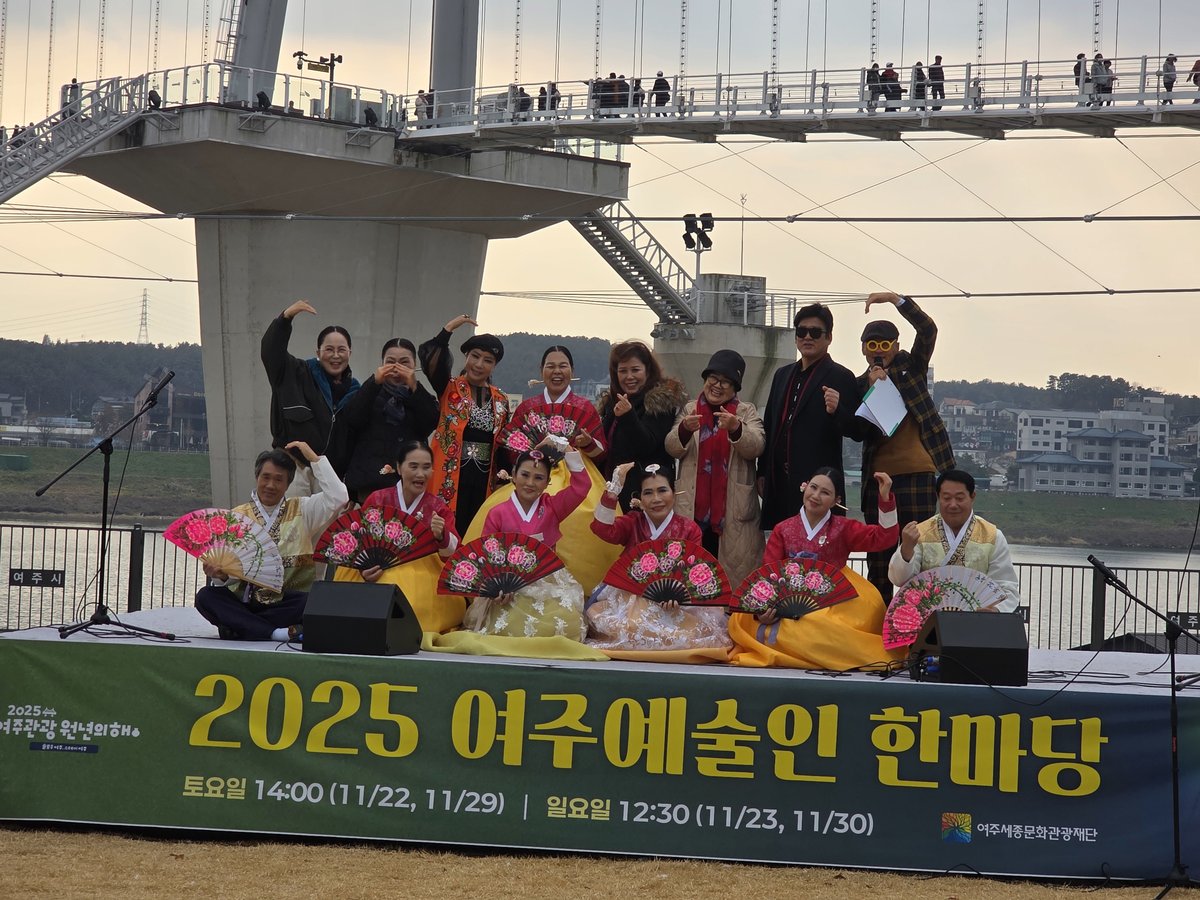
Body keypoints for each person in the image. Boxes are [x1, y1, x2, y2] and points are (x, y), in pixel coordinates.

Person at [729, 468, 902, 670]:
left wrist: (885, 498)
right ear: (804, 487)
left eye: (825, 492)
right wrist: (765, 611)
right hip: (787, 598)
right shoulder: (783, 529)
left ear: (836, 500)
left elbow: (885, 538)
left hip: (835, 599)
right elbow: (770, 573)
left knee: (821, 625)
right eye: (813, 487)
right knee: (742, 618)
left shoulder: (843, 528)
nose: (816, 496)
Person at [482, 345, 617, 594]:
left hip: (575, 469)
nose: (557, 371)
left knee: (584, 513)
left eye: (563, 366)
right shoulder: (527, 407)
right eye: (550, 366)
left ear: (572, 371)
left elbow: (601, 452)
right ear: (541, 371)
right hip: (534, 471)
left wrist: (587, 442)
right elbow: (512, 447)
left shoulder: (584, 408)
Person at [855, 292, 955, 604]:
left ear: (896, 346)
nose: (879, 351)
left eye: (885, 344)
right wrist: (872, 388)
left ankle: (921, 622)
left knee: (921, 554)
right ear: (863, 349)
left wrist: (895, 299)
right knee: (879, 561)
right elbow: (855, 430)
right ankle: (878, 624)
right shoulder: (859, 384)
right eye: (873, 345)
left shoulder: (911, 368)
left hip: (919, 474)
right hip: (879, 482)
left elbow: (928, 330)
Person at [194, 441, 348, 641]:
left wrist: (314, 458)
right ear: (257, 477)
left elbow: (339, 497)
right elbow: (229, 575)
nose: (270, 485)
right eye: (265, 477)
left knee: (312, 601)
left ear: (288, 484)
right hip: (247, 601)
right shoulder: (237, 517)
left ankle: (243, 627)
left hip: (286, 602)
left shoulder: (304, 510)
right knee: (206, 596)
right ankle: (275, 632)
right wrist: (220, 576)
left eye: (278, 479)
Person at [586, 462, 731, 660]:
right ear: (639, 498)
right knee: (614, 624)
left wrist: (678, 596)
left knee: (697, 633)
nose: (656, 499)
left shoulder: (689, 529)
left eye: (662, 490)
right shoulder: (633, 522)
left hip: (676, 601)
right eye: (648, 493)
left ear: (674, 493)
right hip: (631, 596)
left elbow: (694, 572)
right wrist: (614, 490)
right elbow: (601, 528)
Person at [335, 440, 464, 634]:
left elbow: (454, 556)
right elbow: (360, 541)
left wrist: (441, 536)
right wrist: (364, 569)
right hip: (377, 569)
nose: (420, 474)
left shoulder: (437, 507)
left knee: (416, 602)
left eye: (426, 467)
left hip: (423, 572)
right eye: (413, 466)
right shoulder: (378, 499)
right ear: (398, 467)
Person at [464, 443, 590, 640]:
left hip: (546, 582)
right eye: (525, 475)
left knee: (567, 623)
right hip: (508, 585)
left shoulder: (553, 507)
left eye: (539, 478)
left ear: (548, 482)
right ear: (514, 475)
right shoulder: (497, 513)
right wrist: (497, 586)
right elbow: (487, 555)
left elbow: (582, 487)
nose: (530, 483)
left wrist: (565, 448)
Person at [758, 302, 863, 531]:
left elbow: (858, 431)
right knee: (781, 544)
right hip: (779, 481)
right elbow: (770, 425)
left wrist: (837, 410)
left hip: (818, 485)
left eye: (815, 332)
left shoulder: (841, 376)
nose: (807, 337)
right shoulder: (782, 375)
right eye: (801, 331)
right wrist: (762, 471)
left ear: (829, 337)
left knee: (818, 547)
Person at [665, 349, 765, 588]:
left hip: (733, 514)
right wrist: (685, 430)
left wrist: (736, 428)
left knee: (731, 584)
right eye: (713, 378)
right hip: (693, 510)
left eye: (726, 382)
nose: (717, 386)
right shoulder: (690, 409)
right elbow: (671, 447)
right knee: (689, 582)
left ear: (735, 388)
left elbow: (757, 445)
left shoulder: (746, 411)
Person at [419, 314, 509, 535]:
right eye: (474, 356)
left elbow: (504, 444)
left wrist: (505, 476)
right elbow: (432, 361)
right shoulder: (448, 387)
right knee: (445, 529)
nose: (479, 364)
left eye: (487, 360)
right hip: (450, 472)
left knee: (477, 529)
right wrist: (449, 329)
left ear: (494, 366)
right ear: (466, 357)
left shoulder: (501, 399)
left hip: (484, 476)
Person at [260, 300, 360, 496]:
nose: (336, 355)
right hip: (294, 468)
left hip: (330, 474)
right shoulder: (295, 373)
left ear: (350, 353)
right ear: (318, 353)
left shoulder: (356, 392)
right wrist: (285, 318)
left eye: (341, 350)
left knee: (331, 518)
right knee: (291, 517)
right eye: (329, 349)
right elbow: (271, 352)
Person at [888, 469, 1021, 612]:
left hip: (978, 619)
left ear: (972, 497)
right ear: (938, 497)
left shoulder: (993, 536)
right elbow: (899, 580)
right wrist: (906, 549)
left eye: (959, 498)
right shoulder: (920, 534)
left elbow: (1006, 587)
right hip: (929, 620)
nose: (953, 504)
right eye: (946, 498)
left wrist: (996, 610)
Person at [336, 337, 439, 504]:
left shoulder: (421, 397)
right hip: (370, 483)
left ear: (414, 365)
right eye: (390, 362)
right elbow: (353, 419)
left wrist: (415, 387)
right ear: (382, 364)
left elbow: (431, 422)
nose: (397, 368)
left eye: (404, 362)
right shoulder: (369, 392)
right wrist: (373, 382)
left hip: (408, 484)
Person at [595, 340, 687, 512]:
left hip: (643, 496)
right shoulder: (611, 403)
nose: (629, 376)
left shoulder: (659, 402)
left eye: (635, 370)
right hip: (610, 492)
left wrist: (628, 416)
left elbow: (647, 445)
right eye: (623, 371)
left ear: (647, 370)